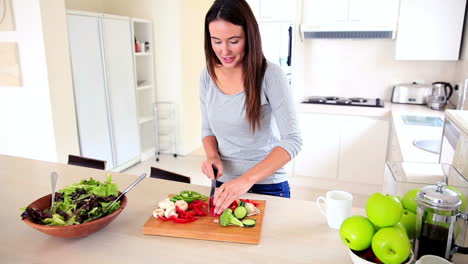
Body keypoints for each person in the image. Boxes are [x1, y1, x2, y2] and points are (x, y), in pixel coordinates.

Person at [200, 0, 302, 215]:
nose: (224, 50)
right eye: (216, 41)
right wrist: (212, 156)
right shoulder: (207, 76)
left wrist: (245, 180)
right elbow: (208, 130)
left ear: (250, 37)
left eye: (233, 41)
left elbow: (293, 141)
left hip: (269, 185)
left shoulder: (270, 75)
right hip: (225, 186)